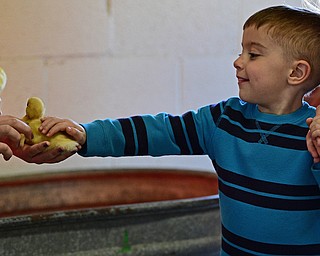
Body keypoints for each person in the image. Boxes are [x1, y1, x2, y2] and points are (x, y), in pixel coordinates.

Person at [38, 6, 320, 255]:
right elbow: (160, 131)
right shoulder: (224, 119)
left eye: (254, 54)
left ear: (296, 73)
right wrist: (88, 135)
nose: (238, 61)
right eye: (240, 51)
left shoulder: (312, 134)